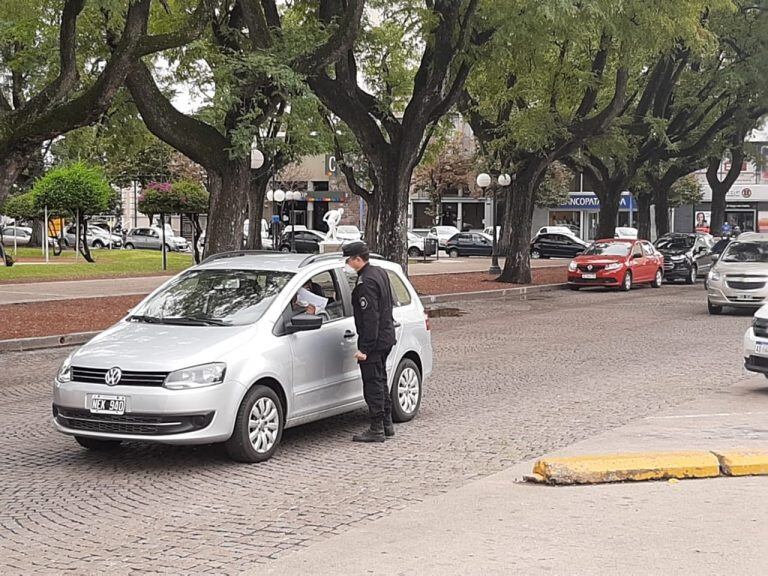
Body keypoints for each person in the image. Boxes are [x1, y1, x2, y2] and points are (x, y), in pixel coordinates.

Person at [342, 241, 397, 443]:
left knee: (373, 384)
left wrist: (364, 348)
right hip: (386, 337)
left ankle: (376, 428)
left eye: (349, 260)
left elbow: (370, 318)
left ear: (358, 259)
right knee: (381, 379)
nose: (347, 264)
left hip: (373, 342)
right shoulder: (379, 272)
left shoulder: (365, 283)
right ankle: (387, 424)